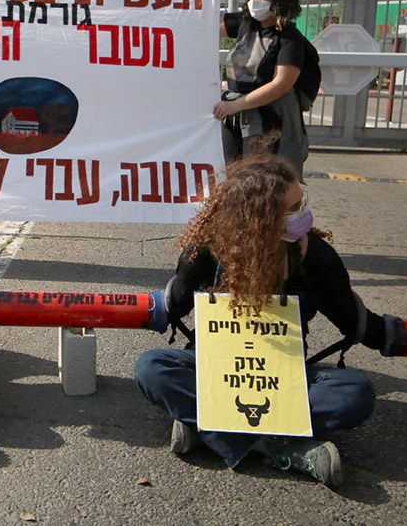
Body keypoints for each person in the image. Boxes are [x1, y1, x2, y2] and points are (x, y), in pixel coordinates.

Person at [134, 154, 392, 486]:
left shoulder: (316, 256)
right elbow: (175, 303)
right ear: (259, 218)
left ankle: (208, 427)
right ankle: (280, 447)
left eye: (302, 203)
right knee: (151, 368)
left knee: (356, 393)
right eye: (292, 209)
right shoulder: (207, 250)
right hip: (212, 367)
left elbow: (353, 321)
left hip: (287, 376)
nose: (304, 214)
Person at [202, 0, 315, 175]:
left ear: (278, 2)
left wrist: (238, 105)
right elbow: (204, 20)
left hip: (267, 121)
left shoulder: (289, 39)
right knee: (229, 174)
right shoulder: (246, 25)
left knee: (258, 179)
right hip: (233, 116)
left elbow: (281, 84)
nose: (255, 0)